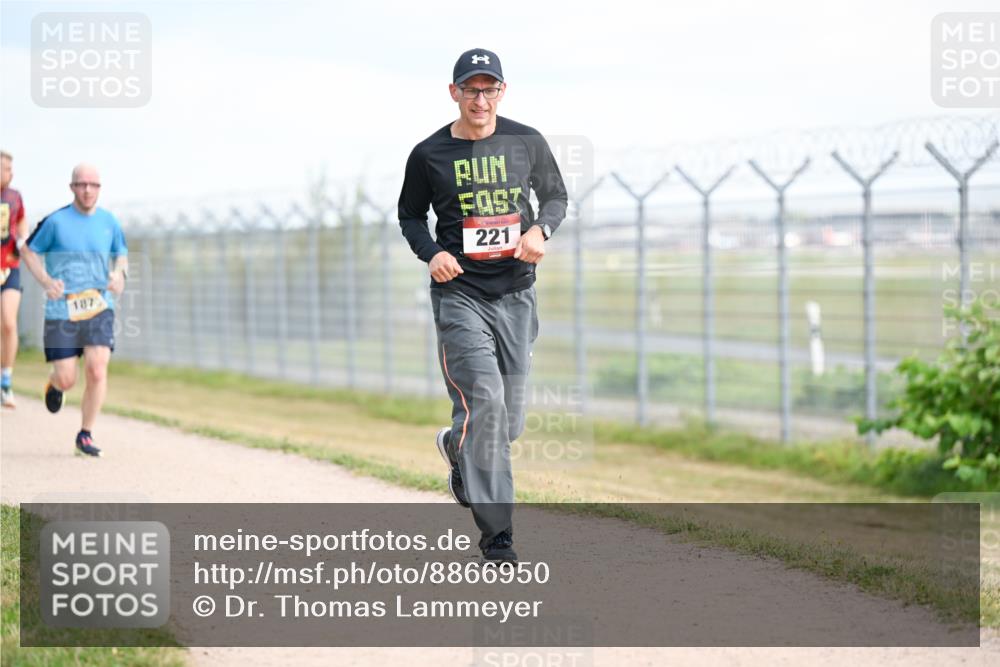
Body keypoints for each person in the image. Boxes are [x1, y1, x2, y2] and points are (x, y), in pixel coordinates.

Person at [398, 48, 567, 563]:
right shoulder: (429, 154)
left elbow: (556, 196)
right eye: (469, 89)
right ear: (454, 93)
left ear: (502, 91)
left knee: (508, 422)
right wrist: (433, 254)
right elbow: (410, 217)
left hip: (516, 292)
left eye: (488, 88)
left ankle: (458, 444)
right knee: (487, 402)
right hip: (461, 296)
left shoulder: (526, 141)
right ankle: (498, 537)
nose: (479, 98)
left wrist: (541, 228)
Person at [19, 163, 128, 457]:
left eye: (93, 185)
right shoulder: (55, 221)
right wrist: (45, 280)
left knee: (96, 367)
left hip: (99, 305)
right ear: (72, 187)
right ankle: (55, 385)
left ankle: (85, 434)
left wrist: (120, 275)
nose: (88, 190)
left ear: (100, 188)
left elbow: (121, 256)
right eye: (82, 184)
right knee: (68, 377)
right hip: (61, 310)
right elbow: (27, 250)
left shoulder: (109, 222)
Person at [1, 150, 28, 408]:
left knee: (9, 323)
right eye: (2, 168)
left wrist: (22, 240)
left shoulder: (15, 197)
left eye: (9, 168)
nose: (7, 173)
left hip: (9, 267)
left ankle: (5, 380)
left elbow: (21, 223)